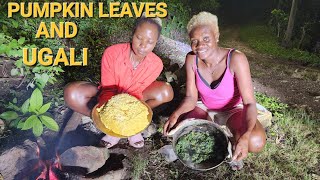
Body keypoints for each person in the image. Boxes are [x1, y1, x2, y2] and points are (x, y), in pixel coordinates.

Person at [163, 12, 266, 169]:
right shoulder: (192, 59)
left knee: (256, 142)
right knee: (189, 134)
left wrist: (245, 136)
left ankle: (232, 140)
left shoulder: (236, 59)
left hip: (232, 110)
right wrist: (175, 114)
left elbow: (250, 103)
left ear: (216, 36)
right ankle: (222, 139)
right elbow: (191, 97)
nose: (199, 45)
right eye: (194, 41)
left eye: (206, 39)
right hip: (203, 106)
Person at [64, 16, 174, 149]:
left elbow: (137, 91)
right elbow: (108, 88)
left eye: (150, 42)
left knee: (166, 92)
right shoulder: (112, 53)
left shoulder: (156, 64)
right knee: (71, 93)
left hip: (133, 96)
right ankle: (110, 129)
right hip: (109, 93)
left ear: (156, 42)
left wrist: (130, 117)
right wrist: (111, 117)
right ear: (132, 34)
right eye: (139, 38)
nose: (143, 46)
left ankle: (133, 129)